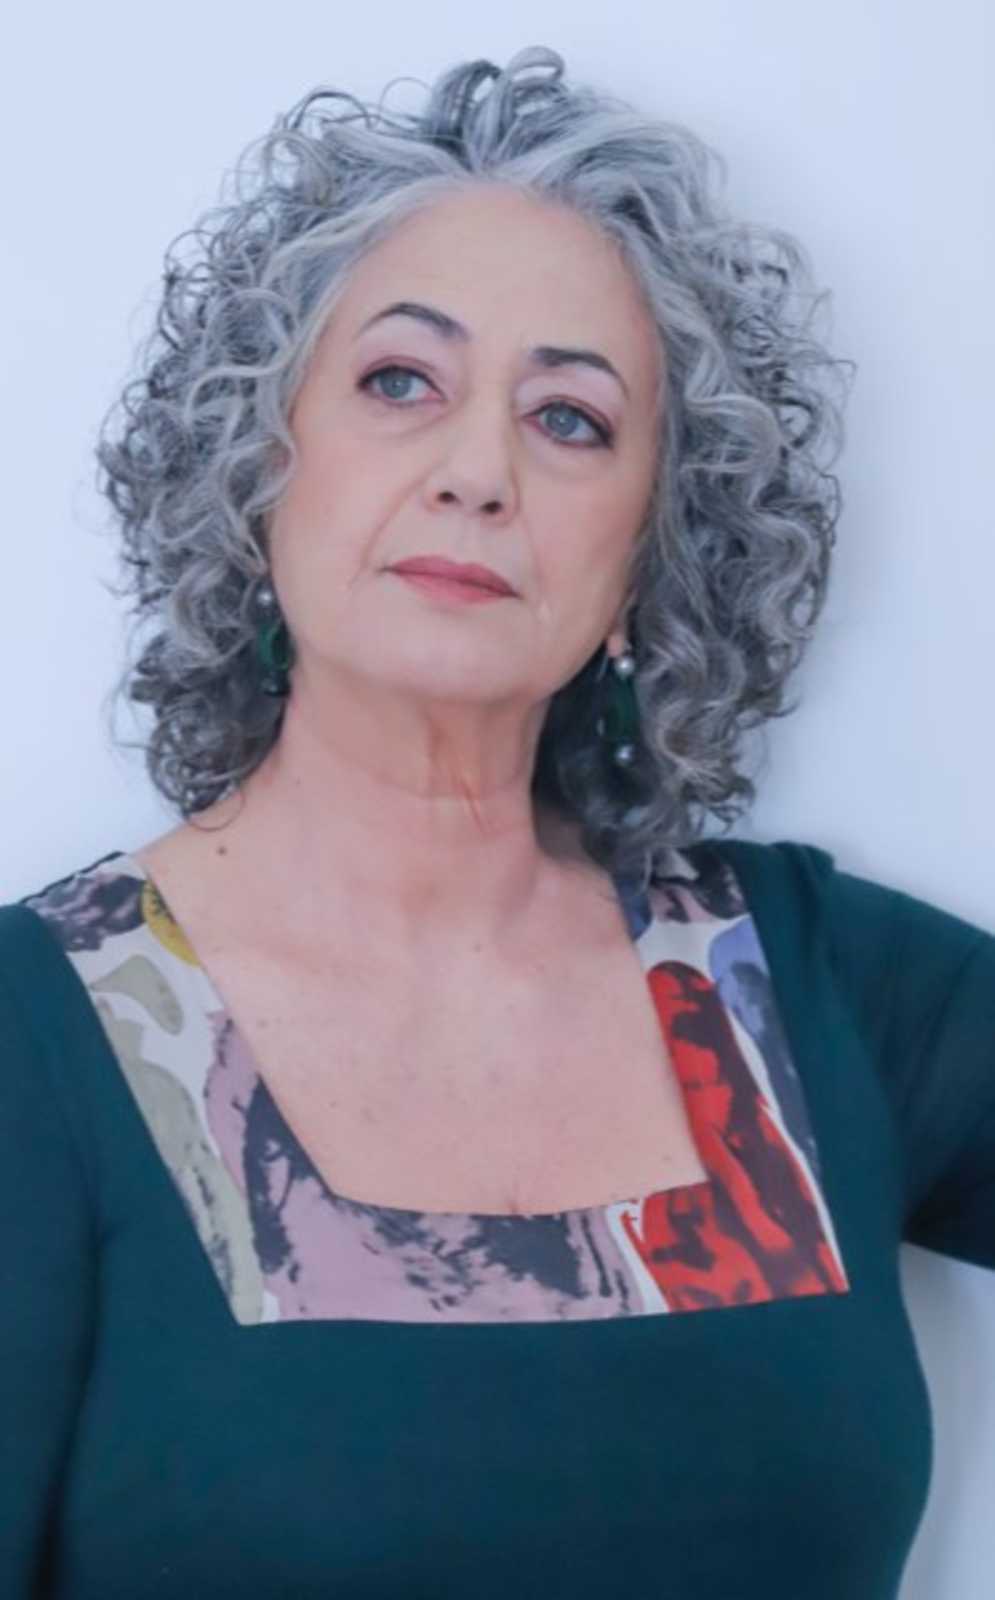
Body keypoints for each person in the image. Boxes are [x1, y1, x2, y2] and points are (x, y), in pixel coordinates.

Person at [1, 42, 991, 1600]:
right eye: (402, 383)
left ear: (650, 554)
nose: (477, 472)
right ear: (262, 468)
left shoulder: (818, 995)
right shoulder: (32, 1042)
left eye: (571, 419)